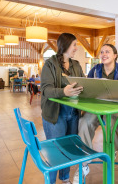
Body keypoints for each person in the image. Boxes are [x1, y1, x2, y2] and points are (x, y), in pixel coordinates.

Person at [74, 44, 118, 183]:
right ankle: (84, 163)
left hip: (115, 109)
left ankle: (113, 150)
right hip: (96, 107)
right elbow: (86, 88)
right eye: (102, 52)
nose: (104, 54)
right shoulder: (94, 70)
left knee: (113, 124)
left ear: (115, 55)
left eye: (107, 51)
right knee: (84, 122)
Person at [41, 33, 85, 184]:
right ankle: (51, 181)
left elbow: (83, 84)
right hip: (55, 113)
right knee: (54, 151)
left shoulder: (76, 65)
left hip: (73, 113)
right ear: (65, 45)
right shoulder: (50, 64)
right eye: (74, 44)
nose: (76, 48)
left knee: (68, 148)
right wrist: (63, 92)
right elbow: (46, 90)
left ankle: (65, 178)